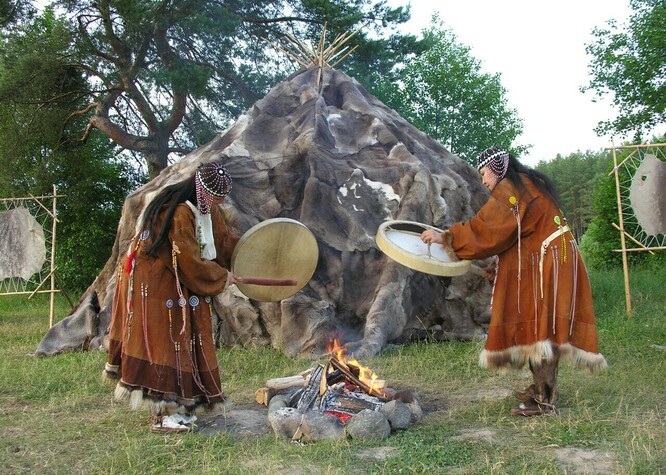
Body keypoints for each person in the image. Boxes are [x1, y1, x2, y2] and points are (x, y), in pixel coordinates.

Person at [421, 147, 607, 416]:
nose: (484, 181)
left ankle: (544, 398)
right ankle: (541, 387)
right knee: (539, 327)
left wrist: (446, 237)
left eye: (484, 174)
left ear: (497, 169)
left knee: (539, 328)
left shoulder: (511, 189)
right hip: (551, 256)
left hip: (548, 261)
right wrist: (501, 266)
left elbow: (487, 230)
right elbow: (518, 235)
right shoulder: (526, 186)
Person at [102, 160, 240, 432]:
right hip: (154, 285)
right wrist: (223, 276)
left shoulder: (206, 210)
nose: (220, 202)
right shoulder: (177, 212)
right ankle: (162, 414)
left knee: (182, 341)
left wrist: (254, 257)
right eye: (217, 197)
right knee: (166, 343)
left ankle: (177, 407)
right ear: (202, 191)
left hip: (177, 283)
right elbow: (188, 260)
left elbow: (224, 243)